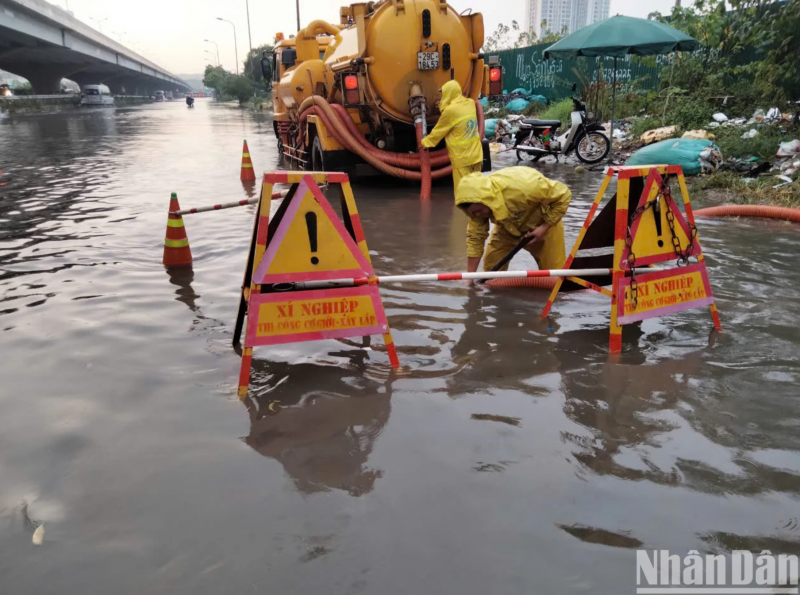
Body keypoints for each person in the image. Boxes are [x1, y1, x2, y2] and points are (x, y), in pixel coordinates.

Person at [455, 167, 572, 273]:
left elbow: (564, 195)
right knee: (491, 275)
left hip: (542, 226)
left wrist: (544, 228)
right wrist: (470, 278)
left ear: (486, 199)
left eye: (478, 210)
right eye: (473, 213)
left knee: (555, 278)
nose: (477, 215)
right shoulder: (477, 213)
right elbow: (475, 240)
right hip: (506, 229)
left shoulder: (526, 186)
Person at [421, 80, 483, 192]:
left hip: (462, 159)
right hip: (476, 157)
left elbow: (438, 132)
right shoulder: (469, 103)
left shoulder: (450, 111)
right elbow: (454, 113)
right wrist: (442, 106)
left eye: (444, 94)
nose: (443, 96)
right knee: (476, 191)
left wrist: (424, 143)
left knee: (463, 195)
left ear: (449, 94)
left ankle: (461, 210)